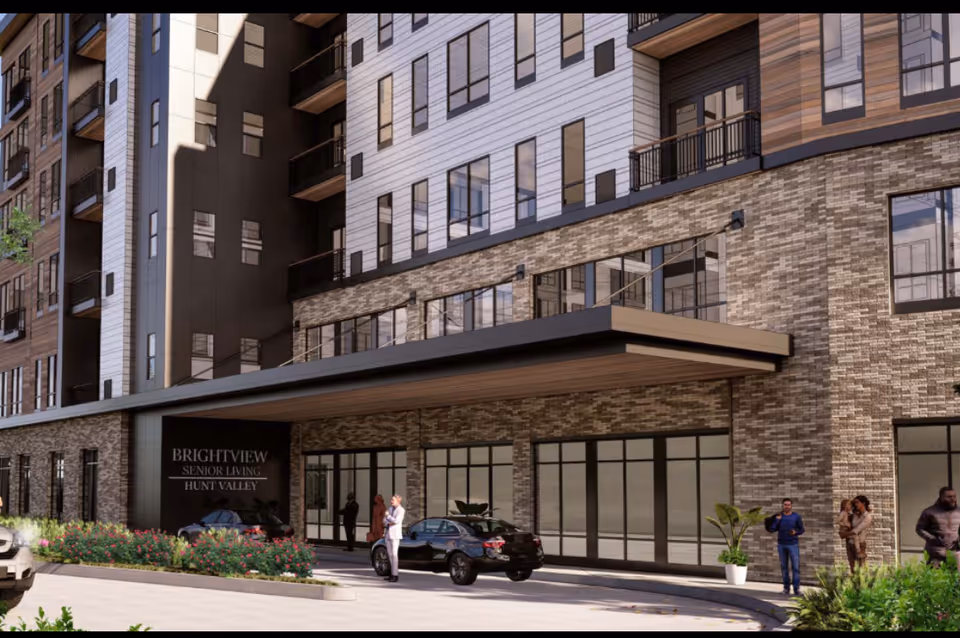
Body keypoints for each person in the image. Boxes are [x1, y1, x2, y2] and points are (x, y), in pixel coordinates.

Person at [916, 486, 960, 567]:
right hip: (935, 552)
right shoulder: (929, 512)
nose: (952, 499)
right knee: (935, 577)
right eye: (949, 497)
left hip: (955, 552)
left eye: (954, 496)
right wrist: (932, 538)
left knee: (954, 577)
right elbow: (919, 529)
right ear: (941, 497)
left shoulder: (959, 511)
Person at [769, 497, 804, 596]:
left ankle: (797, 589)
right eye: (785, 505)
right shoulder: (779, 516)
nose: (787, 506)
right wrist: (776, 520)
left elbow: (802, 529)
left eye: (788, 505)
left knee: (795, 567)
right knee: (784, 567)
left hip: (793, 544)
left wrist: (796, 532)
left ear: (791, 506)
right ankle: (786, 588)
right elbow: (772, 529)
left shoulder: (796, 516)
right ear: (783, 506)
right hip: (781, 544)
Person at [841, 495, 873, 571]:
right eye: (855, 503)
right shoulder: (854, 515)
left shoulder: (867, 517)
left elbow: (856, 530)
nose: (855, 504)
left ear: (864, 503)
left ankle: (861, 583)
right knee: (852, 568)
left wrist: (844, 534)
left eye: (857, 502)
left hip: (859, 545)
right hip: (850, 544)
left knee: (860, 569)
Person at [383, 494, 405, 583]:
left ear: (398, 501)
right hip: (388, 534)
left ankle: (395, 575)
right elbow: (384, 521)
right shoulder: (390, 509)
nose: (391, 501)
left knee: (395, 555)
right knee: (390, 554)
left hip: (395, 535)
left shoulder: (401, 510)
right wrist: (388, 522)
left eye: (393, 500)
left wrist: (388, 517)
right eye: (391, 500)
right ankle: (391, 573)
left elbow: (397, 521)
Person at [835, 499, 859, 573]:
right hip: (844, 530)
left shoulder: (848, 513)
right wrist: (845, 524)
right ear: (844, 505)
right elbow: (837, 521)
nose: (850, 506)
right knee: (855, 537)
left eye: (850, 505)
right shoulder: (843, 513)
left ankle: (856, 549)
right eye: (848, 505)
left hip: (847, 531)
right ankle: (858, 550)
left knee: (854, 537)